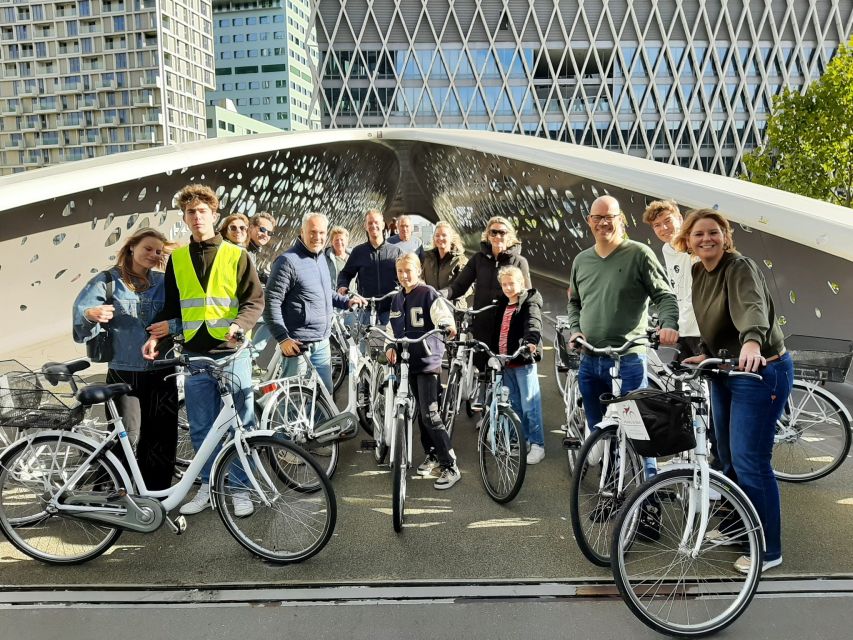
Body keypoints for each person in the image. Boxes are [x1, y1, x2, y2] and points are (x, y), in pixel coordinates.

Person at [675, 208, 793, 574]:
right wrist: (705, 355)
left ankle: (769, 549)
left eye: (714, 232)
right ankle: (734, 527)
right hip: (725, 371)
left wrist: (753, 341)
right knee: (725, 457)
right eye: (699, 234)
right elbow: (713, 319)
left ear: (726, 236)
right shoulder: (698, 270)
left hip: (759, 370)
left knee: (750, 461)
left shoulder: (739, 266)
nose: (707, 239)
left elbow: (751, 307)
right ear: (688, 241)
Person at [143, 184, 264, 517]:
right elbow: (172, 308)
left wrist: (240, 324)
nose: (196, 217)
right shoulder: (178, 259)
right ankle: (209, 487)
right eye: (190, 212)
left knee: (238, 423)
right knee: (200, 426)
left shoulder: (238, 255)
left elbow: (254, 301)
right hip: (196, 354)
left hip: (232, 353)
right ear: (184, 217)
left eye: (202, 211)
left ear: (215, 213)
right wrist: (157, 337)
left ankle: (240, 488)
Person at [567, 195, 679, 477]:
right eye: (597, 217)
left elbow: (664, 296)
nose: (604, 222)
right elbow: (575, 302)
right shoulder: (582, 260)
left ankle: (648, 492)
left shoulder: (639, 254)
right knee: (600, 429)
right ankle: (611, 483)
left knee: (638, 429)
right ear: (589, 222)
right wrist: (575, 328)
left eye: (610, 217)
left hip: (628, 358)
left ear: (621, 220)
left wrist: (668, 324)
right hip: (590, 358)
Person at [73, 228, 179, 490]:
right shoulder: (107, 281)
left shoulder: (166, 282)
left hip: (162, 370)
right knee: (126, 436)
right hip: (123, 372)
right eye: (148, 248)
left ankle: (156, 491)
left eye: (158, 251)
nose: (153, 255)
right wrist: (91, 314)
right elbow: (80, 324)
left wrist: (173, 326)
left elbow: (185, 316)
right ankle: (110, 489)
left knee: (161, 436)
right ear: (131, 247)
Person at [264, 213, 363, 393]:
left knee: (325, 395)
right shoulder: (287, 261)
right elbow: (271, 302)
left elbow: (325, 293)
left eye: (322, 233)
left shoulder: (320, 259)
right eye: (312, 232)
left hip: (322, 341)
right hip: (298, 345)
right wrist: (283, 338)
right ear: (302, 231)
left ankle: (318, 423)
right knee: (295, 400)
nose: (317, 237)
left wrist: (346, 302)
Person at [386, 253, 460, 489]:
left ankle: (450, 464)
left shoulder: (428, 293)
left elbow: (443, 316)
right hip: (408, 364)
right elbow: (392, 325)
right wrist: (389, 345)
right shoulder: (397, 299)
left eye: (409, 270)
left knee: (430, 414)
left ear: (418, 271)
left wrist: (448, 326)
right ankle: (432, 453)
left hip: (427, 361)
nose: (404, 275)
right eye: (400, 271)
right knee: (420, 413)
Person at [441, 216, 531, 407]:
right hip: (482, 322)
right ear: (487, 235)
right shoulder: (478, 260)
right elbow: (459, 286)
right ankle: (486, 412)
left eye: (502, 232)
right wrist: (440, 294)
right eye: (493, 232)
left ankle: (498, 413)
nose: (498, 236)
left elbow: (526, 296)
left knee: (500, 371)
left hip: (506, 325)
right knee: (482, 366)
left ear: (510, 236)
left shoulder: (518, 262)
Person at [492, 266, 545, 465]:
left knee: (530, 404)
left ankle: (537, 444)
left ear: (521, 283)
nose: (507, 288)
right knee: (514, 405)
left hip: (523, 361)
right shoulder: (502, 304)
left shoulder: (529, 301)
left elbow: (533, 322)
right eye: (504, 284)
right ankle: (520, 440)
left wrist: (531, 341)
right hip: (506, 362)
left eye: (511, 283)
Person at [643, 200, 702, 359]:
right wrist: (666, 323)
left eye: (668, 221)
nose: (664, 228)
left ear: (680, 219)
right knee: (677, 377)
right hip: (682, 329)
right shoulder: (666, 249)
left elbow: (698, 291)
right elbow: (674, 290)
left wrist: (676, 324)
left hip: (701, 328)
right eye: (657, 225)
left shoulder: (694, 245)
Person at [337, 208, 403, 325]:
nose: (373, 226)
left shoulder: (395, 252)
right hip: (366, 308)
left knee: (391, 342)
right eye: (370, 223)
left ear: (383, 225)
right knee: (365, 342)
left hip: (391, 308)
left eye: (376, 222)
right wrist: (342, 285)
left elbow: (404, 276)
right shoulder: (358, 252)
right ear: (365, 226)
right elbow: (346, 273)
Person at [421, 221, 469, 309]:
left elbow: (468, 285)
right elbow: (421, 279)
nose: (440, 238)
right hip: (432, 308)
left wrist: (446, 293)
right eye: (437, 235)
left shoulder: (461, 260)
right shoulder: (427, 259)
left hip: (454, 308)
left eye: (444, 235)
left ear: (451, 238)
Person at [246, 212, 276, 285]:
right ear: (251, 227)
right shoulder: (241, 248)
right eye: (262, 229)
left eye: (269, 233)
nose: (265, 235)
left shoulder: (252, 249)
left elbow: (251, 271)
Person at [324, 226, 353, 293]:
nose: (339, 242)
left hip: (354, 298)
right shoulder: (326, 259)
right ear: (332, 242)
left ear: (347, 241)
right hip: (336, 299)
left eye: (342, 240)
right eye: (336, 240)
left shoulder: (354, 256)